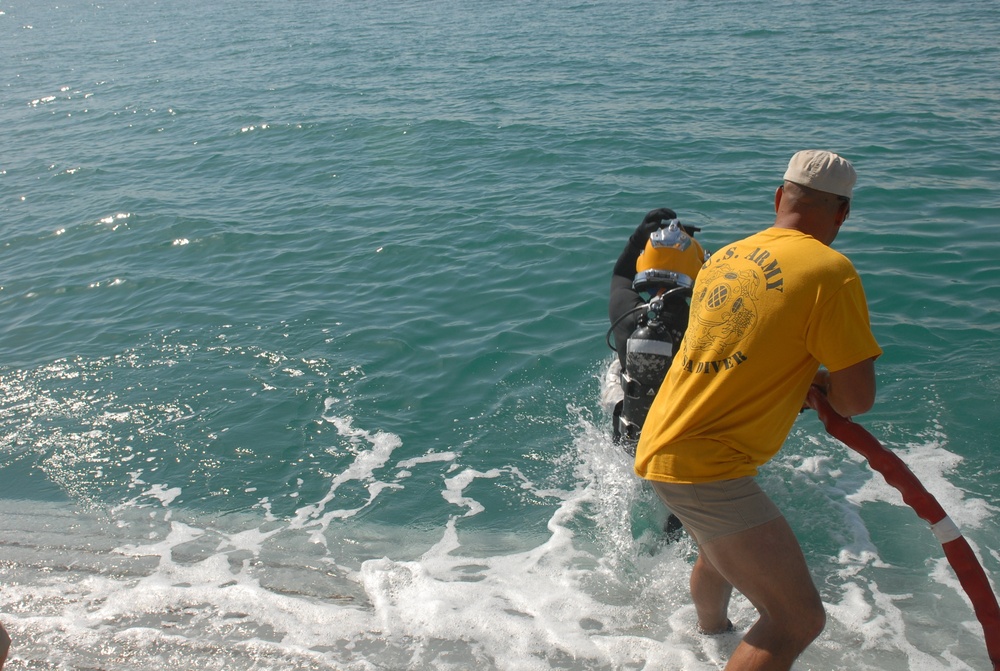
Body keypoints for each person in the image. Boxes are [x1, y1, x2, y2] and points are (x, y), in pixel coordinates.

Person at [634, 150, 882, 670]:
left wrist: (796, 376)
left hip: (662, 437)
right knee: (797, 619)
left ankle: (712, 638)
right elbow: (856, 399)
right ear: (842, 214)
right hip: (707, 463)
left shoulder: (725, 257)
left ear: (778, 197)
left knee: (717, 547)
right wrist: (827, 390)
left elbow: (732, 349)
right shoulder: (830, 273)